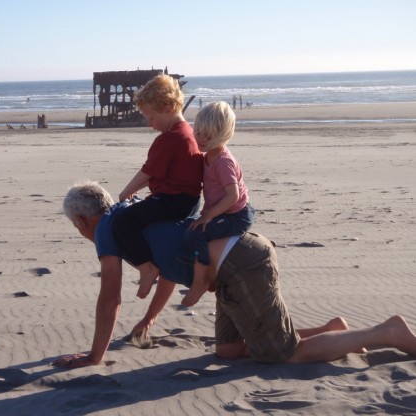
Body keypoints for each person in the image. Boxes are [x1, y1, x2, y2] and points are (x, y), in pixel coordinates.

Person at [52, 180, 416, 368]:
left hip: (240, 263)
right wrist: (149, 319)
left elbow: (110, 298)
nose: (79, 230)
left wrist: (93, 357)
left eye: (75, 225)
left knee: (284, 355)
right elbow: (166, 271)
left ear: (82, 220)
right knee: (228, 350)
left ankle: (389, 332)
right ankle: (331, 331)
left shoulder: (107, 231)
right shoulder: (128, 216)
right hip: (231, 265)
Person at [113, 74, 203, 299]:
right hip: (191, 201)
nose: (149, 123)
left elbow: (148, 172)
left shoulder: (169, 139)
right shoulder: (189, 133)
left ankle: (146, 267)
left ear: (167, 107)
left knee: (122, 222)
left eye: (150, 117)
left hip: (173, 201)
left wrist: (125, 192)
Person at [182, 101, 254, 307]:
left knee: (195, 234)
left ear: (223, 135)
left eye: (209, 136)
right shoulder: (207, 156)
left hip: (236, 214)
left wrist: (209, 215)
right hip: (224, 210)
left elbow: (233, 195)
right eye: (199, 133)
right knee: (187, 225)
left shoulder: (223, 161)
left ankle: (201, 281)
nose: (202, 139)